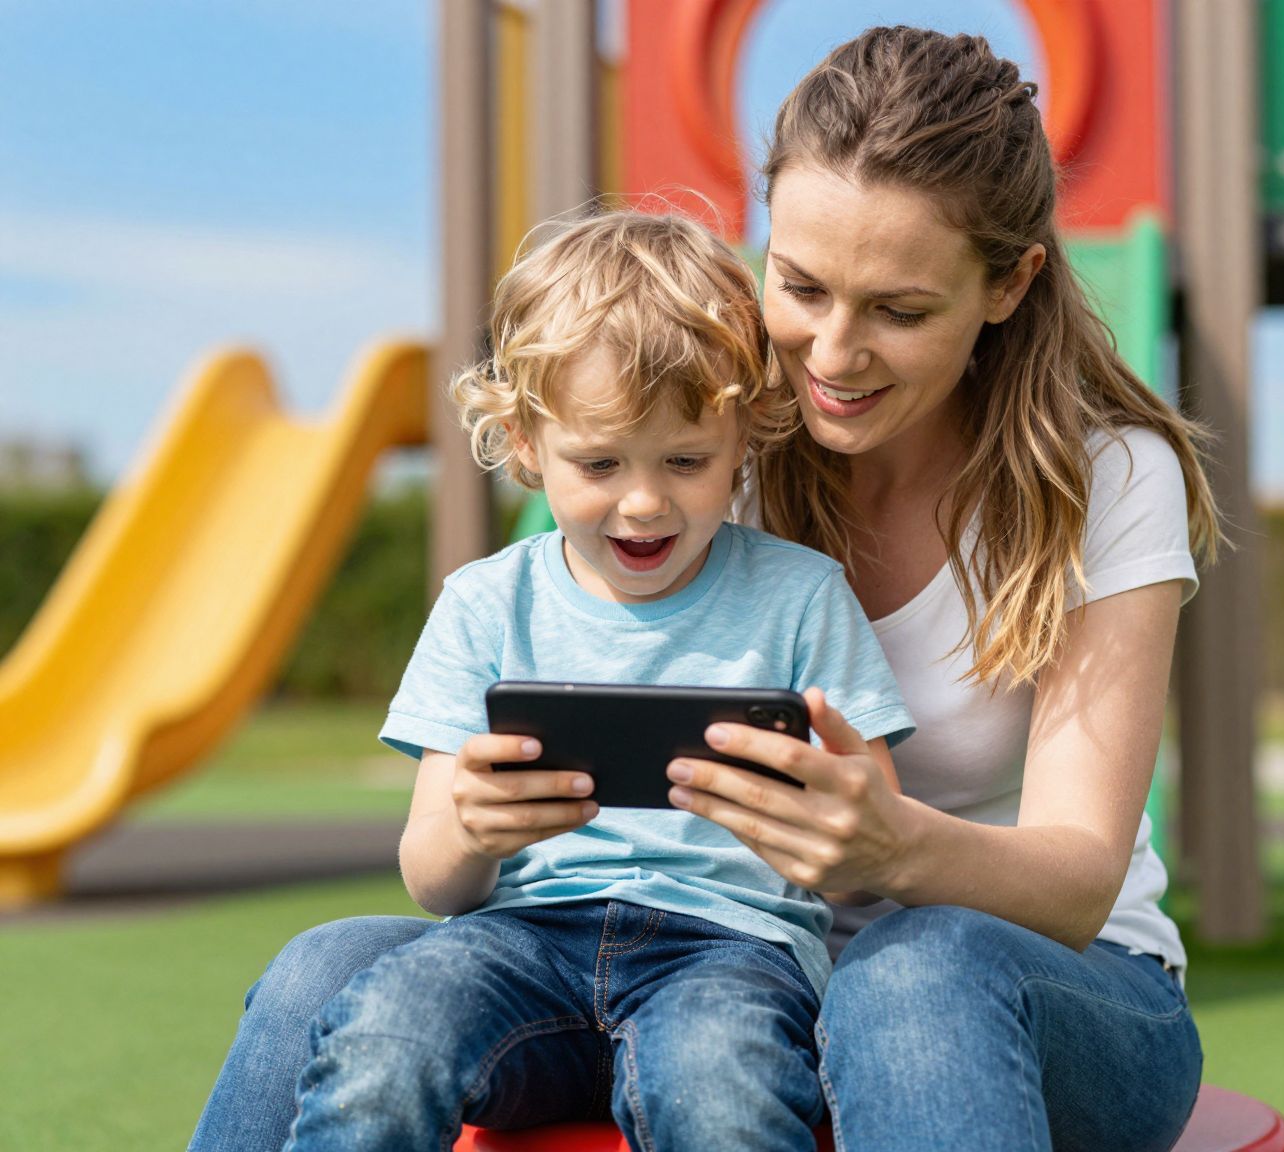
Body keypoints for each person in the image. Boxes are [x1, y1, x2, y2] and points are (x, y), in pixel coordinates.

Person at [191, 26, 1216, 1152]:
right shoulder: (706, 445)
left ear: (1007, 284)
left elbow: (1075, 880)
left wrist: (893, 851)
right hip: (722, 960)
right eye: (801, 285)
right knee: (320, 971)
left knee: (910, 973)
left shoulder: (1109, 476)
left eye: (899, 311)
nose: (831, 352)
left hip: (1039, 986)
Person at [271, 210, 915, 1152]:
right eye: (599, 462)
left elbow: (875, 845)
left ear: (743, 438)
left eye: (687, 462)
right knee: (385, 1037)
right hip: (519, 942)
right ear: (528, 444)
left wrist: (816, 816)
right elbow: (430, 878)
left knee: (721, 1089)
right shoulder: (485, 604)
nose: (645, 500)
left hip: (730, 950)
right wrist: (473, 830)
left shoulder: (800, 596)